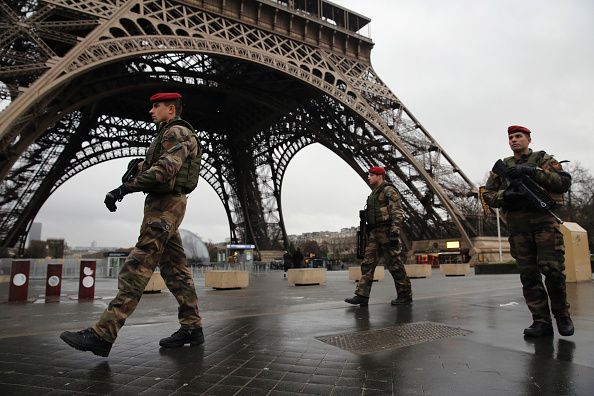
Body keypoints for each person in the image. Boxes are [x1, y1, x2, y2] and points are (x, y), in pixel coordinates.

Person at [60, 92, 204, 357]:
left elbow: (164, 171)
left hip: (165, 209)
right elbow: (156, 166)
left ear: (170, 109)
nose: (151, 110)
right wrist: (139, 165)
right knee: (176, 271)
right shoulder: (167, 134)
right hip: (165, 208)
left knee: (137, 267)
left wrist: (123, 189)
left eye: (156, 106)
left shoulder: (177, 132)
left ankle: (103, 333)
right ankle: (192, 327)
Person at [482, 125, 573, 337]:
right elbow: (487, 193)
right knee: (528, 275)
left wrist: (533, 172)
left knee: (553, 270)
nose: (514, 140)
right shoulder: (503, 166)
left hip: (544, 222)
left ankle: (562, 315)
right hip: (518, 226)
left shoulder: (543, 159)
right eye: (511, 137)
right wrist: (506, 196)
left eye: (519, 136)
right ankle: (541, 321)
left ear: (528, 140)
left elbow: (563, 182)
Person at [345, 166, 412, 307]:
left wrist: (394, 232)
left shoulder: (389, 190)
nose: (368, 177)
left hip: (387, 232)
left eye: (371, 175)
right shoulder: (374, 194)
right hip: (375, 233)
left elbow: (397, 212)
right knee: (367, 264)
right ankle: (362, 295)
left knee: (395, 264)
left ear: (379, 176)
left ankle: (405, 295)